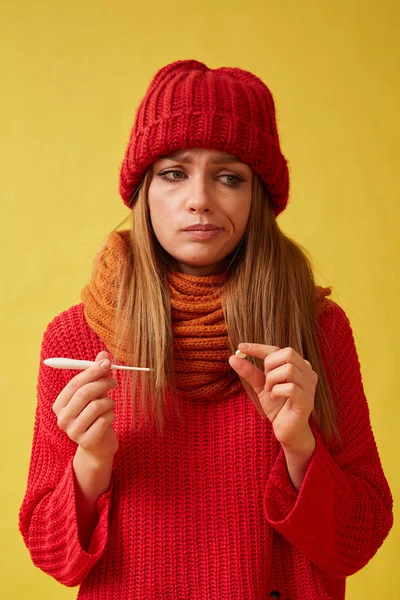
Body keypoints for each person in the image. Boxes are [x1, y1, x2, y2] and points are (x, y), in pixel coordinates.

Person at [19, 59, 393, 600]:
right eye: (174, 173)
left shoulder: (317, 331)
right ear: (144, 191)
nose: (199, 199)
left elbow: (357, 544)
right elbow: (53, 558)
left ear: (258, 196)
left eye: (228, 176)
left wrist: (300, 446)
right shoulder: (76, 338)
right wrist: (91, 462)